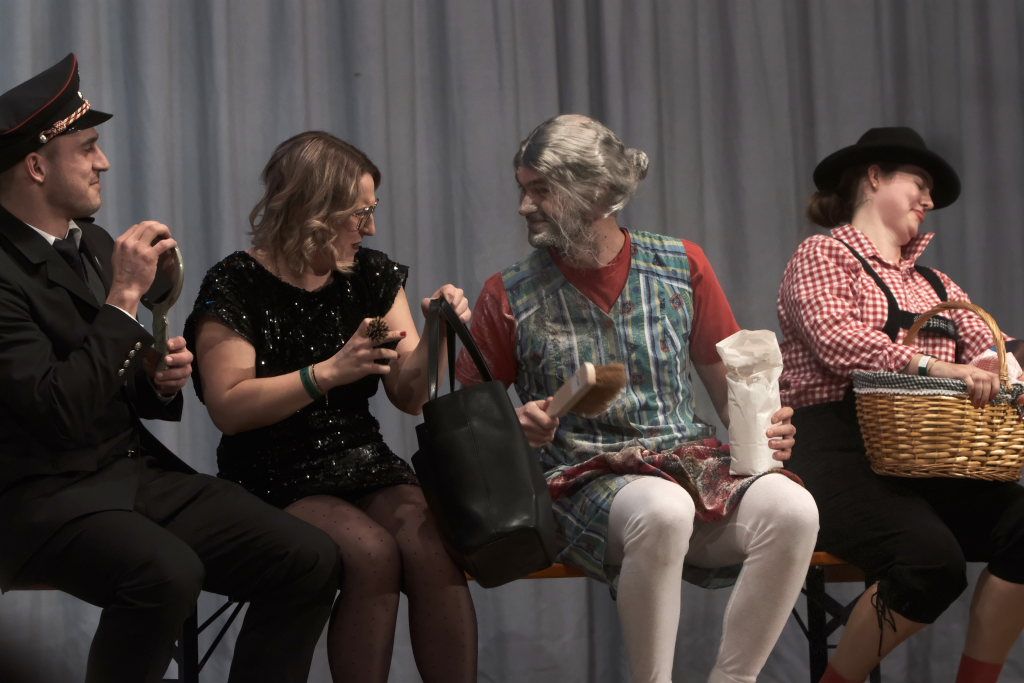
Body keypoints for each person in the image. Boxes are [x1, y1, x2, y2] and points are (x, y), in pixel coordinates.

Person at [0, 54, 339, 683]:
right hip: (37, 497)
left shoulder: (91, 243)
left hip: (126, 476)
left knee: (309, 557)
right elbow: (55, 410)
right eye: (88, 148)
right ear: (37, 166)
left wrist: (156, 379)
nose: (103, 163)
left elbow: (108, 376)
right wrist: (124, 297)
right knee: (166, 574)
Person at [456, 113, 819, 683]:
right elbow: (473, 423)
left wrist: (764, 427)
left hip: (688, 465)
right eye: (523, 190)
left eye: (541, 190)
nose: (525, 206)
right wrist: (516, 425)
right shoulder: (509, 294)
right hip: (581, 480)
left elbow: (732, 396)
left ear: (597, 191)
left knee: (794, 510)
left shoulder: (681, 264)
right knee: (662, 509)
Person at [185, 130, 478, 682]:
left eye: (372, 210)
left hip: (360, 458)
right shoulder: (236, 283)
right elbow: (229, 406)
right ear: (313, 211)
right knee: (371, 554)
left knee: (433, 545)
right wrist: (326, 374)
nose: (370, 228)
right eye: (359, 214)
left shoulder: (370, 275)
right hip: (272, 470)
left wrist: (438, 334)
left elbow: (410, 396)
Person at [778, 126, 1024, 683]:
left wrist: (1007, 365)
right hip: (837, 453)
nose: (929, 200)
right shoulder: (823, 254)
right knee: (930, 561)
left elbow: (994, 348)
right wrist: (934, 366)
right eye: (920, 183)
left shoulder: (937, 285)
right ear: (874, 177)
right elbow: (837, 339)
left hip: (923, 457)